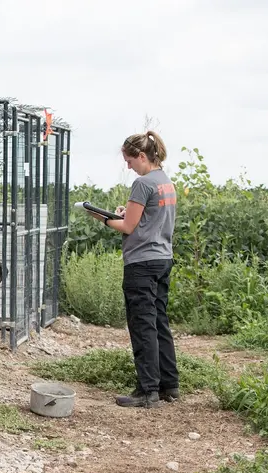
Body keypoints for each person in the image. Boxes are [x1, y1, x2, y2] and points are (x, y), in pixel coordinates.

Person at [85, 130, 179, 408]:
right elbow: (149, 219)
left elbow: (128, 227)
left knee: (142, 325)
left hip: (141, 263)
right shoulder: (166, 182)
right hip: (163, 259)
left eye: (129, 160)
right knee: (160, 322)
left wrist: (100, 218)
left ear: (141, 156)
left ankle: (147, 390)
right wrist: (127, 214)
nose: (128, 167)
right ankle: (169, 386)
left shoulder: (143, 184)